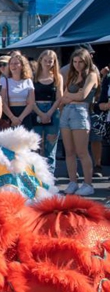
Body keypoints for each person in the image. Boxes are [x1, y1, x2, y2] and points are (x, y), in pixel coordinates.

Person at [60, 48, 99, 196]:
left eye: (80, 62)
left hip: (80, 112)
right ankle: (72, 182)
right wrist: (70, 96)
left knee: (82, 151)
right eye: (75, 62)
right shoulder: (72, 75)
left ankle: (88, 183)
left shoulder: (92, 75)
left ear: (86, 61)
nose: (77, 65)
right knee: (69, 152)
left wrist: (70, 96)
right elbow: (63, 96)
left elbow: (84, 95)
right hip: (67, 112)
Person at [31, 50, 63, 172]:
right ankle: (35, 176)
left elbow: (59, 97)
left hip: (53, 111)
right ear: (40, 60)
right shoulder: (33, 77)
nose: (48, 63)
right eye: (45, 60)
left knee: (50, 147)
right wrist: (40, 113)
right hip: (36, 109)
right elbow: (31, 99)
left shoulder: (57, 77)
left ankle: (50, 179)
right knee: (35, 146)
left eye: (51, 61)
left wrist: (49, 113)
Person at [1, 53, 36, 131]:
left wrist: (20, 118)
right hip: (9, 114)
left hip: (24, 114)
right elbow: (2, 101)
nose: (13, 66)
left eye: (16, 63)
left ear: (22, 66)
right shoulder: (4, 80)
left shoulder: (28, 81)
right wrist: (12, 118)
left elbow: (31, 103)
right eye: (11, 64)